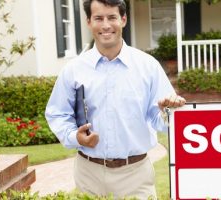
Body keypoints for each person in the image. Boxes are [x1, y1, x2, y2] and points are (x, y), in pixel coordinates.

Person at [45, 0, 186, 198]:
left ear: (123, 19)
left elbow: (162, 122)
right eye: (98, 18)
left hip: (136, 175)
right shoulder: (73, 70)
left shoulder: (148, 67)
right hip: (89, 173)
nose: (105, 25)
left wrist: (167, 111)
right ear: (88, 22)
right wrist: (73, 137)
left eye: (112, 17)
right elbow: (57, 113)